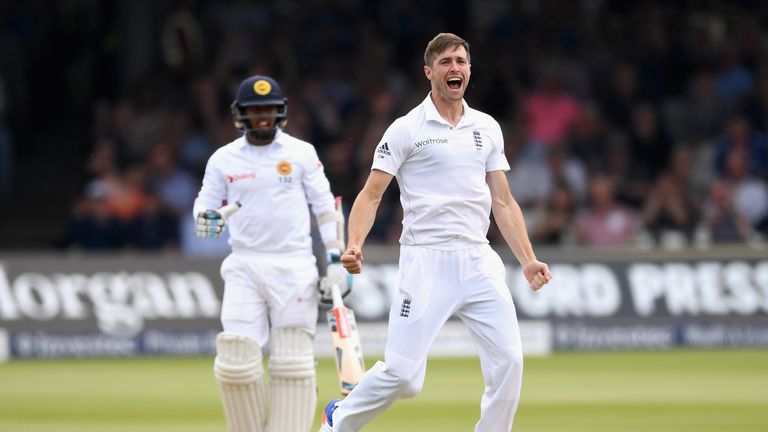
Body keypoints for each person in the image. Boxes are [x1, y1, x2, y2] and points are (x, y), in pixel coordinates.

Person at [319, 33, 552, 432]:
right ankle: (339, 419)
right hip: (425, 260)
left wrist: (528, 259)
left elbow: (504, 201)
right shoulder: (406, 128)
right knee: (405, 378)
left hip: (478, 259)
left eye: (461, 61)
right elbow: (371, 194)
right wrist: (353, 244)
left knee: (510, 361)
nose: (454, 68)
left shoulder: (486, 127)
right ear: (429, 72)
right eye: (445, 62)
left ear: (469, 70)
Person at [193, 75, 349, 432]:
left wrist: (335, 260)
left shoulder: (300, 153)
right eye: (254, 110)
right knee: (235, 359)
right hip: (244, 265)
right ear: (240, 115)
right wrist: (207, 220)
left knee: (293, 361)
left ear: (280, 113)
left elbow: (325, 207)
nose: (262, 117)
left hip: (293, 265)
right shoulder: (223, 159)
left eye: (268, 109)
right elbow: (203, 207)